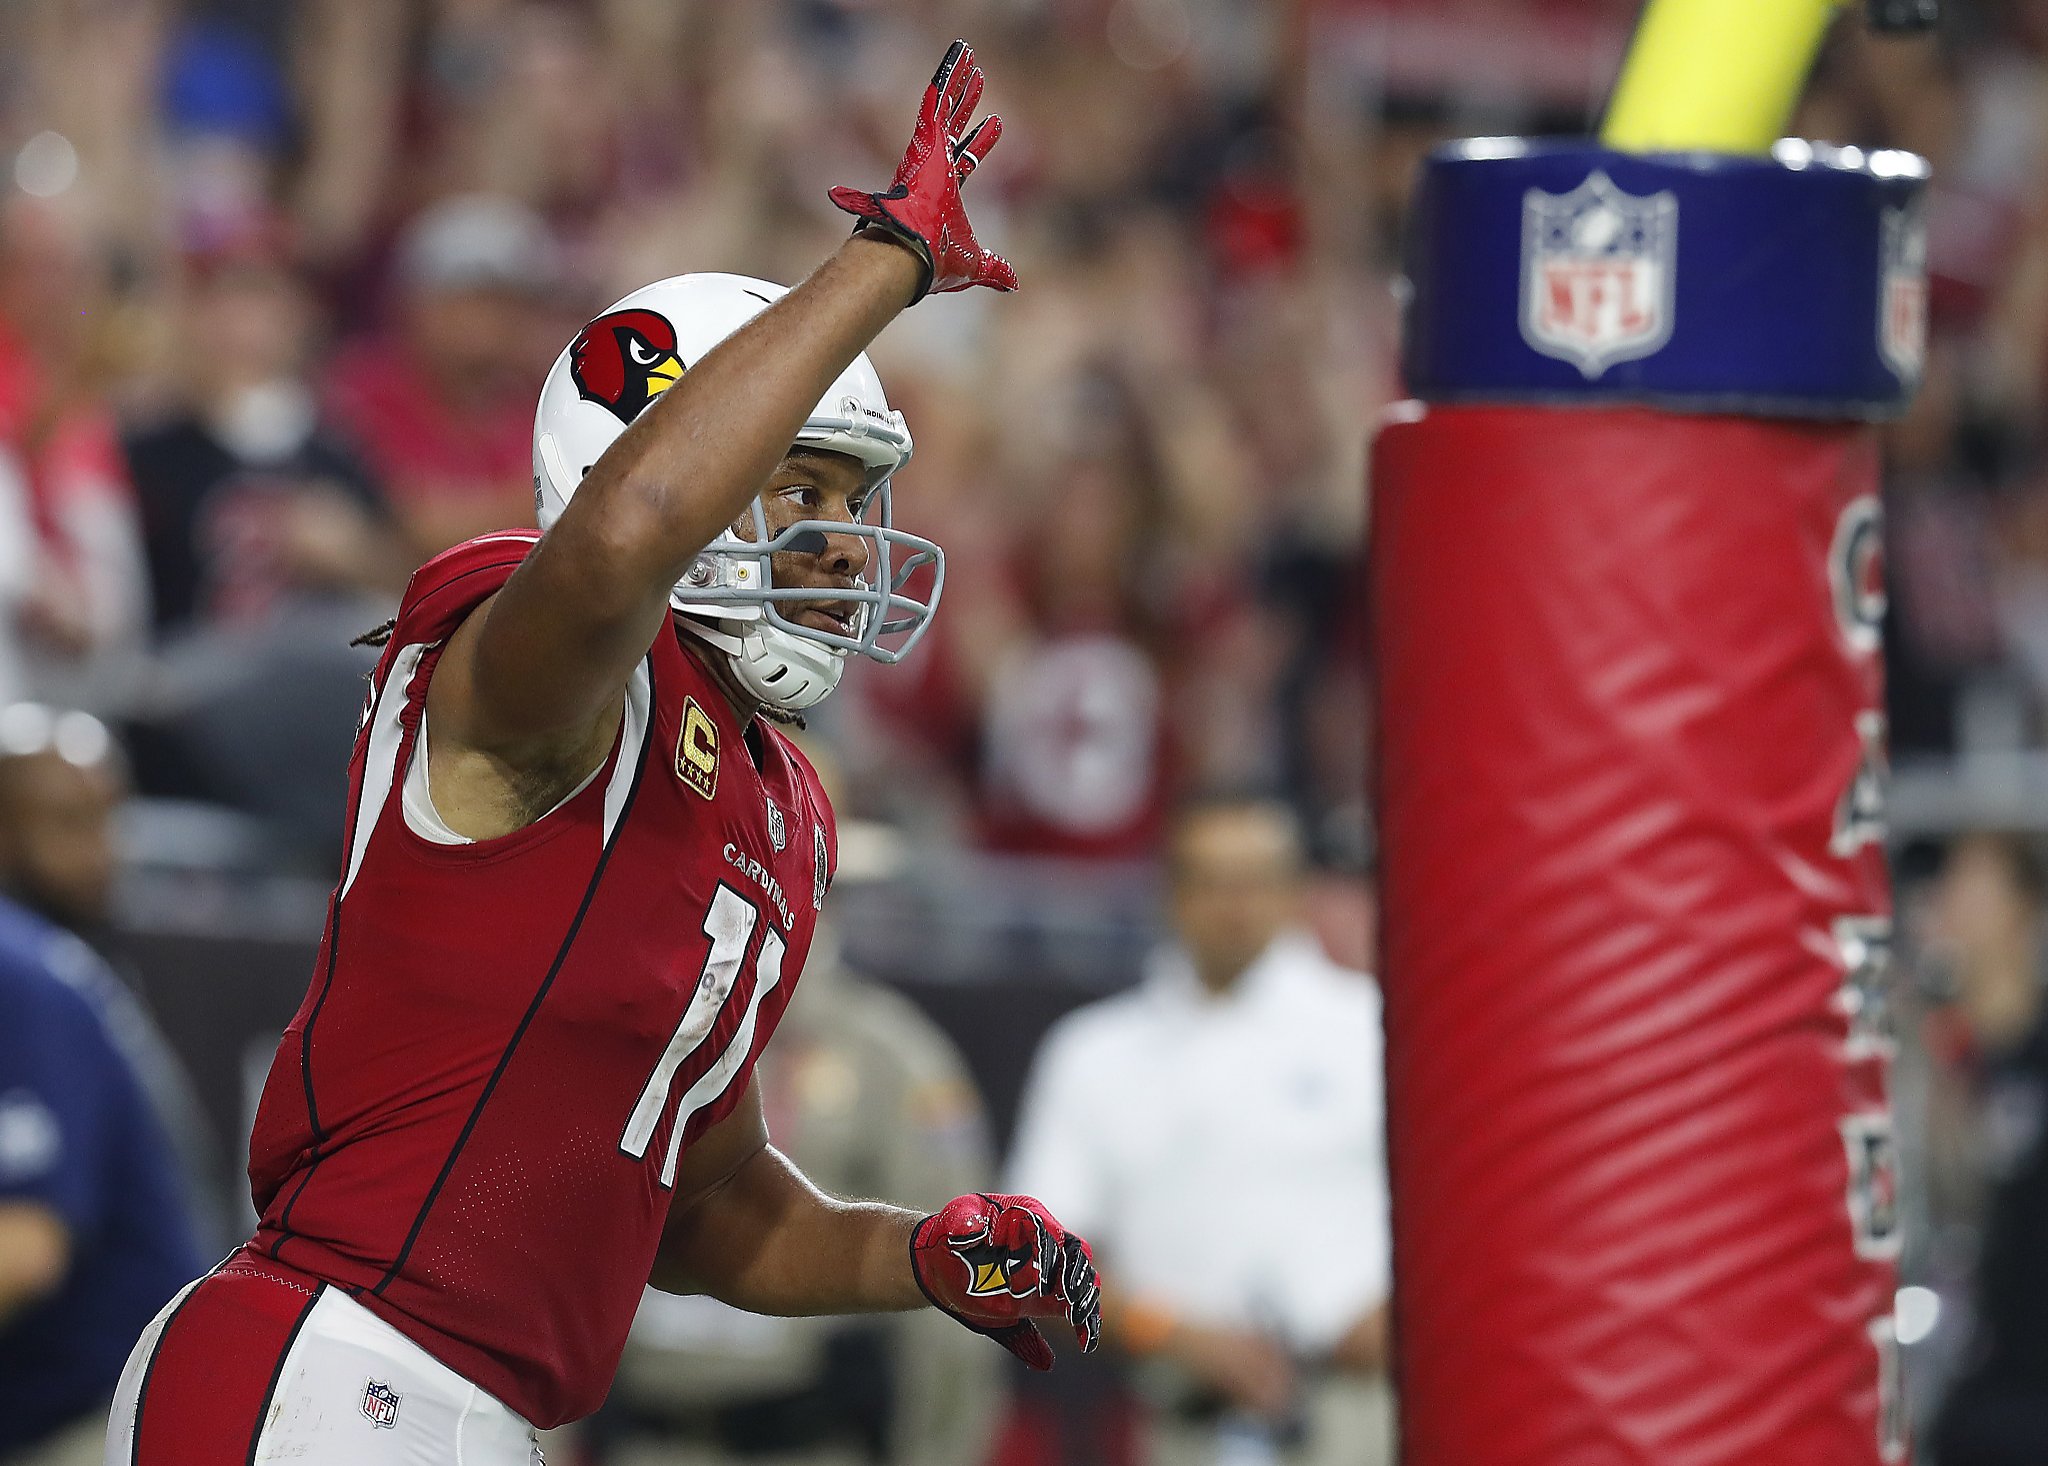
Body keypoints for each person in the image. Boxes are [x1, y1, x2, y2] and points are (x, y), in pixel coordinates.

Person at [108, 42, 1099, 1466]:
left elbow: (704, 1203)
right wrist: (885, 260)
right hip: (330, 1354)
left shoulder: (782, 804)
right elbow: (624, 544)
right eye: (794, 483)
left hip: (481, 1409)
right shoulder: (546, 662)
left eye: (851, 493)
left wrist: (912, 1258)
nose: (835, 537)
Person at [1007, 794, 1394, 1466]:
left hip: (1354, 1410)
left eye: (1253, 881)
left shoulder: (1371, 1030)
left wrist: (1401, 1316)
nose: (1232, 906)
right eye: (1209, 881)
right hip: (1182, 1419)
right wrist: (1175, 1333)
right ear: (1170, 893)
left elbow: (1475, 1217)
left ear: (1294, 892)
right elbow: (1034, 1256)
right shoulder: (1097, 1052)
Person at [600, 895, 1004, 1466]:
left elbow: (956, 1271)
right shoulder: (628, 1028)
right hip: (649, 1440)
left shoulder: (892, 1059)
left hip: (805, 1441)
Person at [0, 712, 207, 1466]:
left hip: (104, 1422)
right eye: (65, 824)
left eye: (108, 821)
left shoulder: (19, 970)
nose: (101, 855)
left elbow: (22, 1248)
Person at [1924, 832, 2048, 1465]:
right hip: (1956, 1376)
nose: (1956, 904)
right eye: (1952, 884)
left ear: (2025, 907)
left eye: (1977, 885)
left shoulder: (2035, 1053)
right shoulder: (1929, 1059)